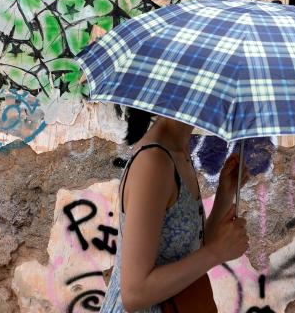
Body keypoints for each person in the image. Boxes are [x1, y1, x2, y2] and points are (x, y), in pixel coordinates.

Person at [101, 109, 250, 312]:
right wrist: (216, 253)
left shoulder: (178, 151)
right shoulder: (154, 162)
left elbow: (188, 252)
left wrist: (224, 195)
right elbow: (135, 293)